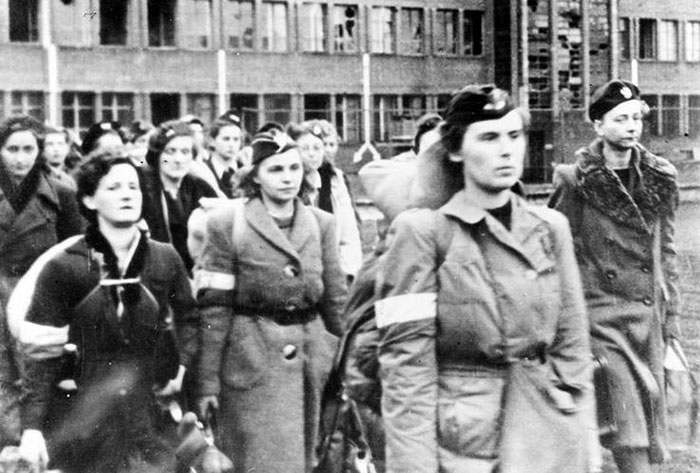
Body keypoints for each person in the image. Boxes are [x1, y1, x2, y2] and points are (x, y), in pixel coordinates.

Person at [375, 85, 592, 472]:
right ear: (456, 150)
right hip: (463, 444)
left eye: (515, 135)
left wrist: (579, 440)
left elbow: (573, 348)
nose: (507, 149)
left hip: (543, 429)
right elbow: (406, 368)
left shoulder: (550, 228)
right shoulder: (422, 233)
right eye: (489, 137)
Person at [15, 150, 199, 473]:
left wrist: (182, 368)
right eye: (113, 188)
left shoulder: (165, 258)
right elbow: (40, 355)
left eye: (133, 187)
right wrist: (31, 428)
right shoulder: (65, 266)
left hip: (151, 415)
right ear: (88, 200)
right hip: (85, 419)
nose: (127, 194)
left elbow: (191, 322)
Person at [195, 132, 348, 473]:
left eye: (294, 168)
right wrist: (207, 383)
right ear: (255, 176)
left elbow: (335, 301)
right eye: (276, 169)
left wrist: (346, 363)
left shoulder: (322, 224)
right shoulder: (227, 225)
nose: (288, 177)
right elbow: (214, 310)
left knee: (310, 458)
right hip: (251, 362)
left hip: (311, 362)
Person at [549, 79, 681, 473]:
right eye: (620, 118)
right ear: (597, 126)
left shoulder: (661, 178)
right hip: (602, 320)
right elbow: (559, 251)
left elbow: (667, 252)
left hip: (647, 318)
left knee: (646, 415)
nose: (631, 126)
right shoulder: (575, 180)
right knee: (630, 429)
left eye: (636, 117)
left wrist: (670, 318)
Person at [0, 116, 84, 449]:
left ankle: (34, 448)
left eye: (28, 149)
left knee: (37, 375)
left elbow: (74, 252)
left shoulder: (61, 194)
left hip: (38, 301)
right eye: (12, 149)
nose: (20, 157)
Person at [140, 120, 218, 273]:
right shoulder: (144, 189)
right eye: (170, 151)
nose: (178, 159)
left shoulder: (201, 187)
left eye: (185, 152)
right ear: (158, 154)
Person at [289, 121, 363, 280]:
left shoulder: (334, 180)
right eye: (305, 149)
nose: (311, 154)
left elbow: (348, 231)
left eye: (317, 148)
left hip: (332, 268)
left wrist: (348, 270)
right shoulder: (289, 182)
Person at [202, 112, 244, 198]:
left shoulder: (246, 172)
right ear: (212, 141)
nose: (231, 144)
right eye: (226, 139)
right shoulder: (203, 171)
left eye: (236, 139)